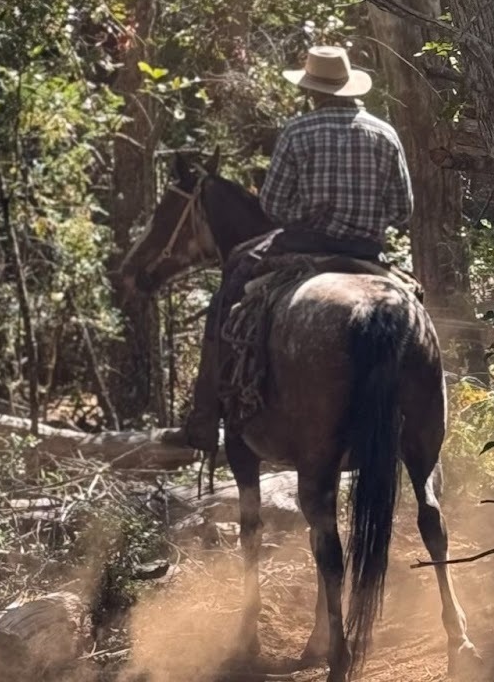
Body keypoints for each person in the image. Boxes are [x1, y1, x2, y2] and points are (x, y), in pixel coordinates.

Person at [160, 44, 413, 451]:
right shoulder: (385, 134)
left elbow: (273, 205)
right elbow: (403, 212)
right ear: (349, 87)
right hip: (367, 251)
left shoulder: (298, 131)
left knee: (230, 288)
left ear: (312, 91)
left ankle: (204, 419)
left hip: (305, 243)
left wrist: (307, 212)